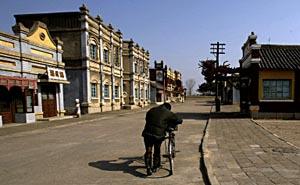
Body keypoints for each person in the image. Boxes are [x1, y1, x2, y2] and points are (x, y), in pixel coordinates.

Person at [142, 102, 183, 175]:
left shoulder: (151, 110)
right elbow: (179, 120)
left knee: (148, 150)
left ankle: (148, 167)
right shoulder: (168, 112)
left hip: (147, 133)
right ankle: (156, 166)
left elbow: (147, 119)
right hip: (158, 135)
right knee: (157, 150)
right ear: (168, 108)